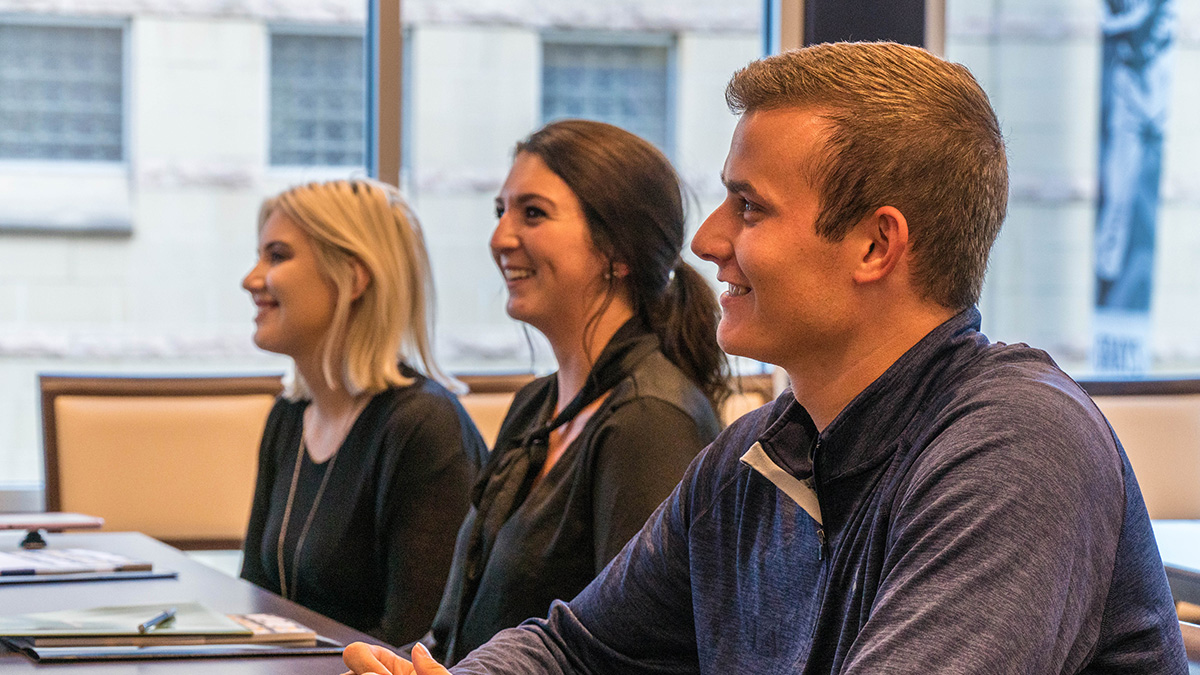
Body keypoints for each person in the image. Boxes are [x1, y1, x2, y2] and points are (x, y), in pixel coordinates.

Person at [343, 42, 1187, 674]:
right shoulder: (760, 453)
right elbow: (575, 650)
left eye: (748, 207)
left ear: (875, 244)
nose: (708, 240)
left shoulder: (1018, 443)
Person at [417, 119, 728, 666]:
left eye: (532, 213)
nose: (499, 238)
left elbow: (636, 655)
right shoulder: (538, 405)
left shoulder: (650, 420)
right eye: (500, 211)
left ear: (618, 250)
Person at [240, 179, 487, 648]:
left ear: (353, 278)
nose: (251, 279)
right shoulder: (288, 417)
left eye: (277, 256)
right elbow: (256, 603)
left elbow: (413, 644)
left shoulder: (424, 427)